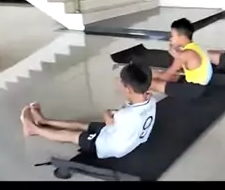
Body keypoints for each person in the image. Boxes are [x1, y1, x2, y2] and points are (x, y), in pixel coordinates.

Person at [20, 60, 156, 158]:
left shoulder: (125, 116)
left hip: (107, 146)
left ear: (128, 89)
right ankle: (44, 121)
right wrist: (113, 115)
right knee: (82, 125)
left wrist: (106, 113)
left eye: (121, 81)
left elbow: (110, 121)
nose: (118, 82)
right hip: (128, 136)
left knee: (71, 135)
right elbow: (122, 118)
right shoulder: (151, 101)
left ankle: (33, 129)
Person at [149, 17, 213, 98]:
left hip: (194, 89)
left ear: (181, 37)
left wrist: (152, 78)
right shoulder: (195, 47)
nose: (170, 39)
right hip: (200, 85)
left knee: (151, 83)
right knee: (159, 75)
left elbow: (167, 75)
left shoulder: (185, 54)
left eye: (172, 36)